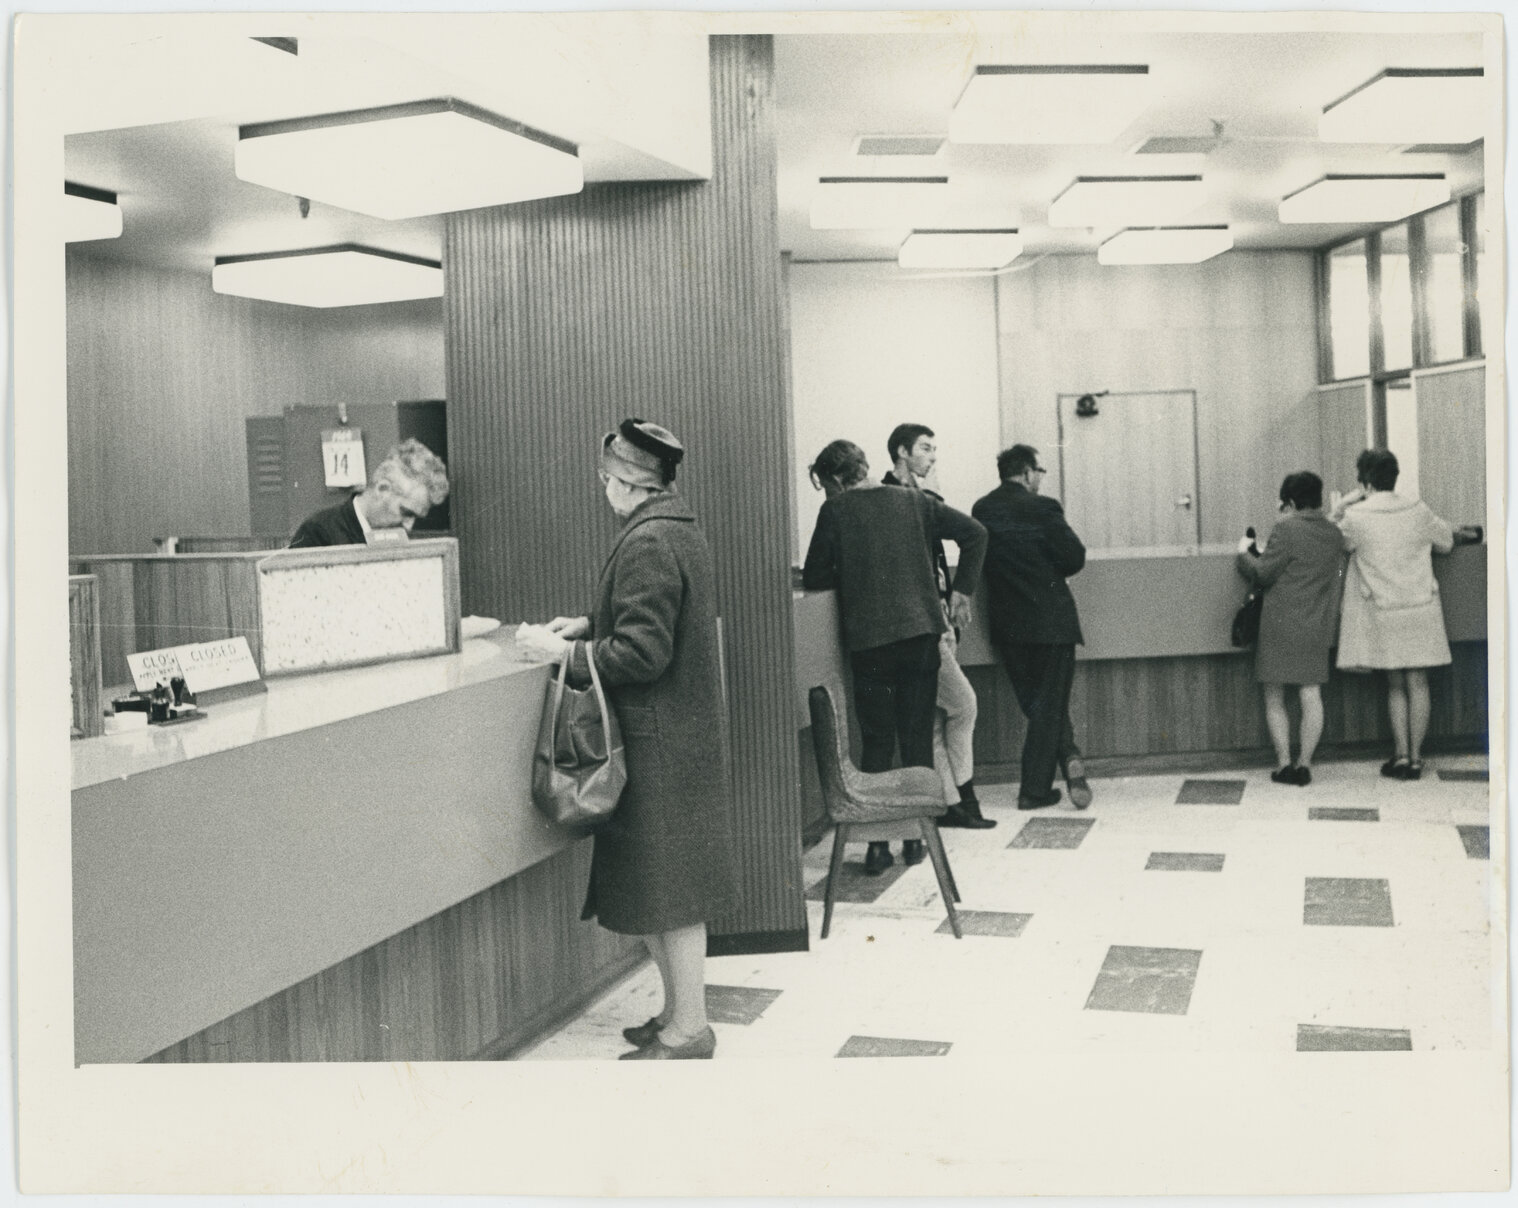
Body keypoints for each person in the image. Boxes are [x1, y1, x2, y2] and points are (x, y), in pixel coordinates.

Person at [516, 419, 737, 1060]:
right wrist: (593, 621)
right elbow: (659, 616)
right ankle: (676, 1015)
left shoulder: (646, 543)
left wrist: (566, 650)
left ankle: (689, 1030)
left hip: (658, 743)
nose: (604, 488)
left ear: (629, 481)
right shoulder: (676, 529)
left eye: (607, 478)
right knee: (663, 890)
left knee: (670, 894)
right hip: (676, 737)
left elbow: (643, 654)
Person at [802, 439, 988, 875]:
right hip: (922, 636)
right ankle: (917, 839)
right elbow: (976, 533)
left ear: (833, 480)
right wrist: (962, 592)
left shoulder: (836, 511)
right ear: (864, 466)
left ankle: (878, 846)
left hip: (870, 643)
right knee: (917, 740)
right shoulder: (916, 502)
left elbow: (814, 574)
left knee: (879, 743)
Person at [882, 422, 992, 829]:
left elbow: (966, 540)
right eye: (925, 448)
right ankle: (961, 798)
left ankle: (952, 802)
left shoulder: (919, 498)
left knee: (938, 716)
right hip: (924, 626)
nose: (933, 455)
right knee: (962, 706)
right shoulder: (895, 501)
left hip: (933, 621)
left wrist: (958, 593)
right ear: (901, 452)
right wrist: (955, 597)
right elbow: (974, 535)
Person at [972, 444, 1092, 811]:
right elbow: (1074, 557)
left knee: (1038, 705)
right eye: (1039, 471)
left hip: (1008, 625)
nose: (1041, 478)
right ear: (1026, 472)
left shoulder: (983, 509)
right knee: (1050, 706)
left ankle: (1068, 754)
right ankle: (1035, 789)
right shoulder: (1044, 508)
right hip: (1051, 622)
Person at [1328, 449, 1456, 781]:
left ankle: (1399, 755)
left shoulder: (1357, 517)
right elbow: (1445, 542)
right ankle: (1416, 759)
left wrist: (1341, 505)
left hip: (1384, 610)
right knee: (1419, 683)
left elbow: (1332, 540)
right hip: (1421, 607)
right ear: (1395, 476)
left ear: (1365, 481)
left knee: (1396, 685)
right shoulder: (1418, 509)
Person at [1235, 472, 1346, 786]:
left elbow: (1264, 573)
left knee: (1274, 696)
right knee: (1312, 695)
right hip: (1316, 624)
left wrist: (1244, 552)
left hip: (1280, 624)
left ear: (1291, 501)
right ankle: (1305, 764)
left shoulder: (1285, 528)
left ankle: (1284, 764)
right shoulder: (1333, 533)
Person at [287, 437, 449, 547]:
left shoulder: (400, 537)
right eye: (406, 512)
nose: (409, 526)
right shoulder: (318, 531)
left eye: (415, 517)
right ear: (382, 489)